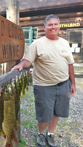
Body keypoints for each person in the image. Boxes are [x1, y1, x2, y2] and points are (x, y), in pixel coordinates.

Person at [11, 14, 76, 147]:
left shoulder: (64, 43)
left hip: (64, 84)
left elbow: (70, 64)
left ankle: (50, 134)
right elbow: (28, 61)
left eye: (55, 24)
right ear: (45, 27)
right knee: (44, 113)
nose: (53, 27)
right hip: (44, 86)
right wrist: (21, 65)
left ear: (59, 26)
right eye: (50, 25)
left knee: (57, 111)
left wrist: (73, 83)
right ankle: (41, 134)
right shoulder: (37, 44)